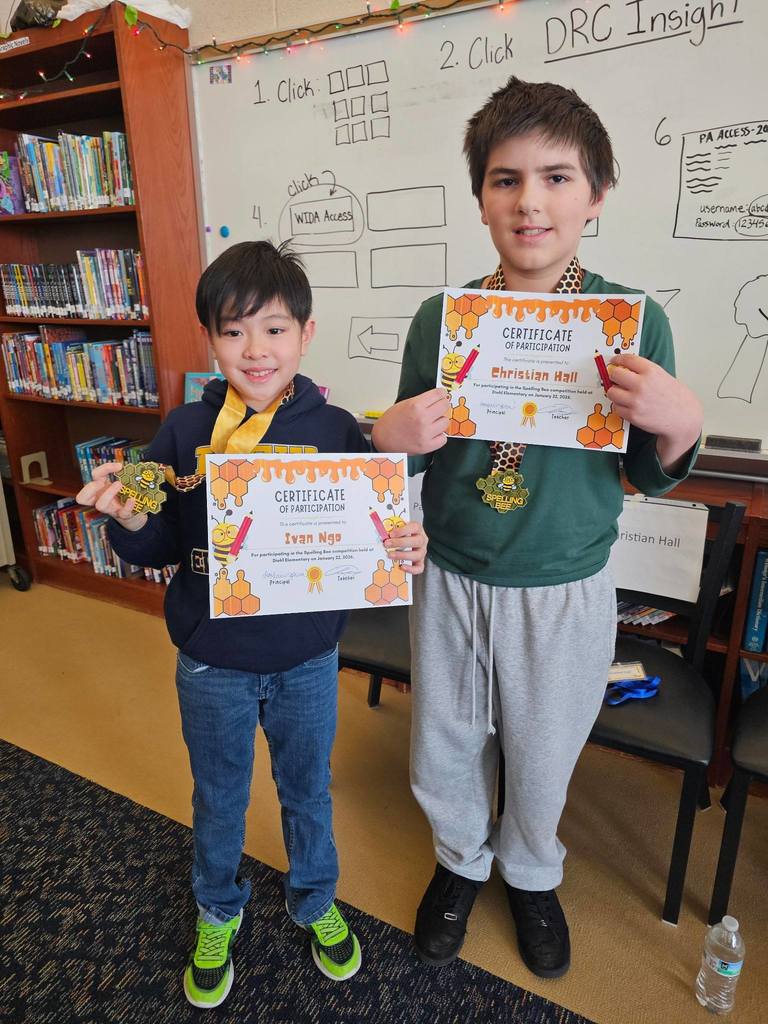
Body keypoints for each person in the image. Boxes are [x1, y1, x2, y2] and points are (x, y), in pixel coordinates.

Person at [371, 77, 703, 979]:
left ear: (596, 194)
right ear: (480, 196)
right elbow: (408, 457)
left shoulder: (634, 322)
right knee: (445, 739)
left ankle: (528, 870)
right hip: (455, 575)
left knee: (545, 748)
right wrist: (386, 440)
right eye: (506, 179)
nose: (530, 201)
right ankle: (458, 862)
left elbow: (643, 470)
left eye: (557, 177)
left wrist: (676, 421)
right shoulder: (443, 321)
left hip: (565, 583)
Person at [76, 240, 427, 1009]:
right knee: (219, 795)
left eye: (273, 329)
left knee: (307, 789)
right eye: (233, 331)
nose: (254, 349)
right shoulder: (176, 431)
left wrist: (404, 541)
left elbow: (372, 537)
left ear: (305, 333)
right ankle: (217, 907)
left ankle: (315, 898)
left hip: (306, 657)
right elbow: (152, 541)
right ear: (210, 340)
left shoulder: (338, 429)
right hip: (212, 659)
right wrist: (128, 517)